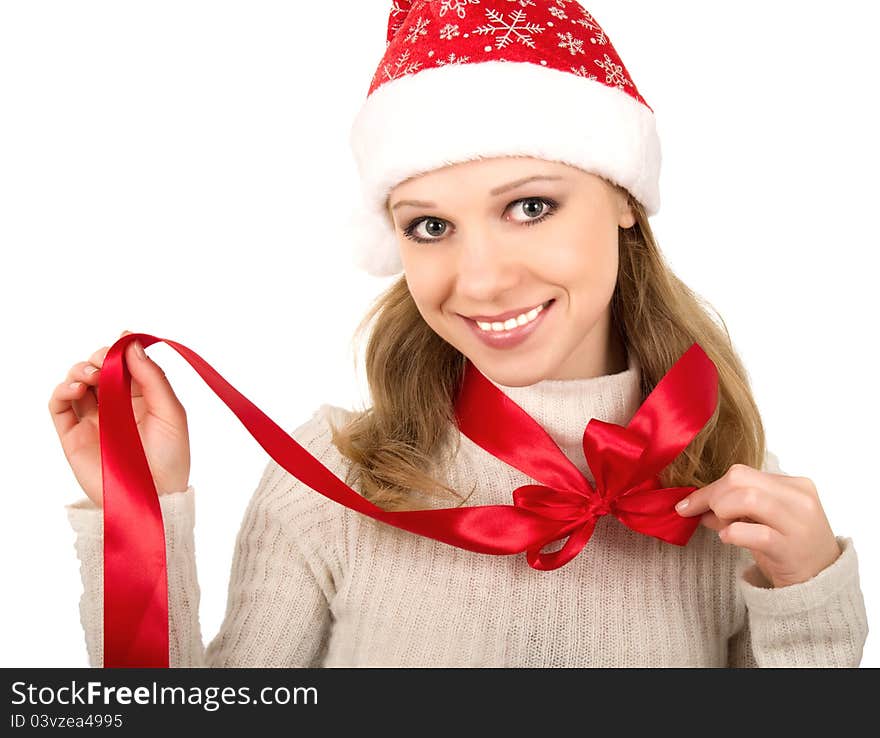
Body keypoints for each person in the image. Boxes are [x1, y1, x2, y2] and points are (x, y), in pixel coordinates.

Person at [49, 0, 868, 667]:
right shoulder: (333, 482)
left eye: (530, 207)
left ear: (625, 197)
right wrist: (137, 504)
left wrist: (807, 604)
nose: (477, 281)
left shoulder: (734, 503)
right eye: (431, 226)